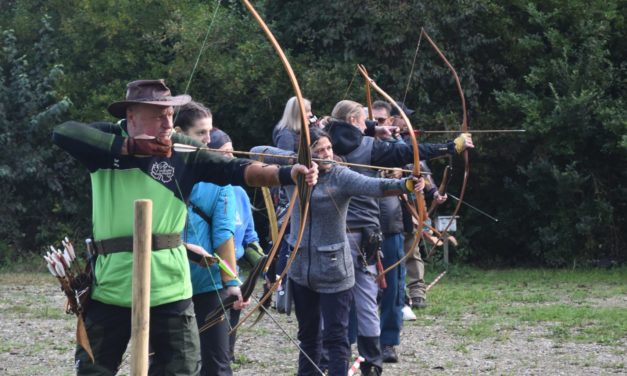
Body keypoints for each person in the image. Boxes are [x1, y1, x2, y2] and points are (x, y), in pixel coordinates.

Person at [52, 79, 318, 375]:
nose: (167, 122)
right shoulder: (106, 141)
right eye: (157, 114)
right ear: (131, 116)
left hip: (171, 291)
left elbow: (237, 169)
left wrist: (286, 173)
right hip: (110, 288)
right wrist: (131, 147)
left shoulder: (183, 149)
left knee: (180, 371)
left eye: (169, 114)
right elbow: (63, 132)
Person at [251, 127, 426, 376]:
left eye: (329, 148)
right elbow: (255, 153)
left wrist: (406, 184)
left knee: (336, 338)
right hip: (301, 267)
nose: (327, 154)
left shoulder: (341, 175)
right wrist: (294, 163)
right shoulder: (293, 174)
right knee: (308, 337)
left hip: (335, 269)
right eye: (319, 150)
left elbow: (374, 186)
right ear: (305, 153)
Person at [324, 99, 473, 375]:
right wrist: (452, 146)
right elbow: (411, 153)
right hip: (363, 233)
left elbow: (328, 124)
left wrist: (369, 128)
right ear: (355, 122)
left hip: (328, 234)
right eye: (364, 120)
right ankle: (371, 360)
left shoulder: (322, 143)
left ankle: (330, 357)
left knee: (333, 298)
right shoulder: (366, 148)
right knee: (367, 297)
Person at [174, 101, 245, 376]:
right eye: (201, 133)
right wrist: (231, 282)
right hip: (168, 282)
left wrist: (230, 282)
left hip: (207, 285)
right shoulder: (161, 170)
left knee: (213, 363)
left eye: (209, 132)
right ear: (178, 132)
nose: (208, 139)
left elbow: (223, 234)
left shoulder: (219, 180)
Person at [205, 127, 265, 361]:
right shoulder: (197, 189)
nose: (231, 159)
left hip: (232, 279)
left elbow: (250, 239)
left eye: (232, 152)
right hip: (203, 281)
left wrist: (263, 270)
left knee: (224, 354)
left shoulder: (239, 192)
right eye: (224, 153)